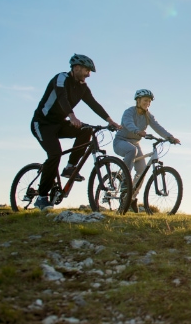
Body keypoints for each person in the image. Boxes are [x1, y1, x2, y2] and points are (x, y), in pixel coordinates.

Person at [30, 54, 122, 211]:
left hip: (59, 124)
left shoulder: (82, 87)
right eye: (87, 70)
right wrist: (72, 116)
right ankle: (41, 198)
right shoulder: (61, 78)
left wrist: (110, 120)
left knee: (86, 131)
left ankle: (70, 167)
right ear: (76, 68)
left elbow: (93, 104)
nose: (89, 74)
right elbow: (61, 97)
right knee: (55, 154)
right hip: (43, 124)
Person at [113, 89, 180, 212]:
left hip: (135, 143)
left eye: (149, 101)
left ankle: (131, 196)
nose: (147, 103)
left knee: (142, 170)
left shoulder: (148, 116)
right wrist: (137, 131)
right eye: (145, 100)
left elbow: (158, 127)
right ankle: (124, 181)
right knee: (131, 150)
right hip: (121, 141)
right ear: (138, 101)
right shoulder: (129, 112)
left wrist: (170, 137)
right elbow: (128, 123)